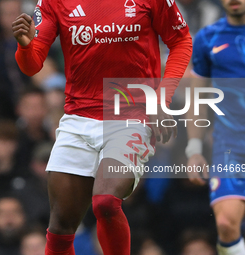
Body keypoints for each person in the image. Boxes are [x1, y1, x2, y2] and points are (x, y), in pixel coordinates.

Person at [13, 0, 192, 254]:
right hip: (78, 120)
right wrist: (24, 45)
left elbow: (181, 41)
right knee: (60, 226)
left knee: (106, 202)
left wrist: (161, 98)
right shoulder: (53, 2)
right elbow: (31, 65)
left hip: (131, 115)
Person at [186, 0, 245, 254]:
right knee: (225, 222)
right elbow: (197, 98)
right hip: (231, 146)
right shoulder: (207, 38)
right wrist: (194, 149)